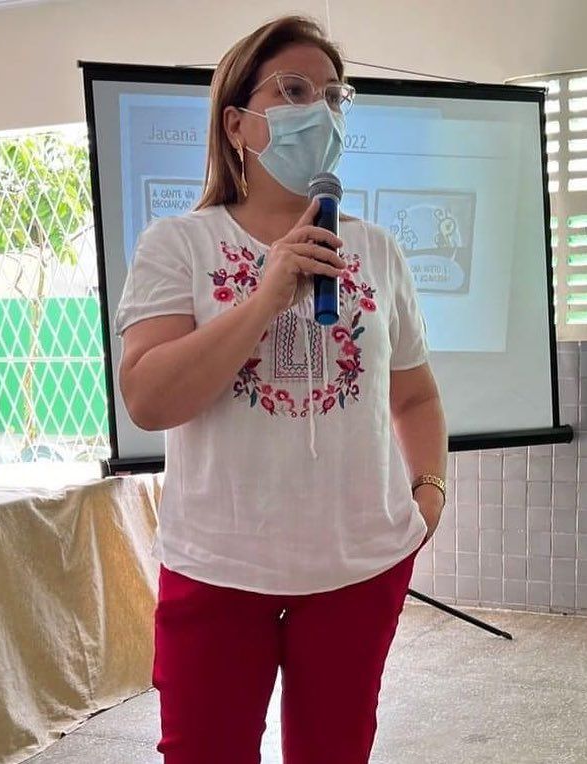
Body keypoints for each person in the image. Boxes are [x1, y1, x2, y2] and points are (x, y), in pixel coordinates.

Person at [115, 15, 447, 764]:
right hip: (218, 567)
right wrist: (265, 296)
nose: (319, 111)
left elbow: (416, 397)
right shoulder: (178, 245)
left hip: (359, 567)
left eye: (333, 96)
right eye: (294, 90)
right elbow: (149, 398)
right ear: (237, 123)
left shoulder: (378, 251)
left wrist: (428, 495)